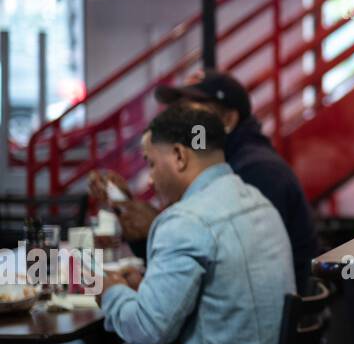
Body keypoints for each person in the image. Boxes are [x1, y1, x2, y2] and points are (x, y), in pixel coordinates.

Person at [98, 104, 294, 344]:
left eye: (151, 163)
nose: (150, 179)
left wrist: (111, 292)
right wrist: (148, 284)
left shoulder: (186, 220)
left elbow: (149, 327)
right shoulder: (260, 203)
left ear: (179, 156)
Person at [91, 70, 319, 292]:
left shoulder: (257, 171)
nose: (183, 122)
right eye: (179, 110)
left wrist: (156, 230)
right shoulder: (216, 167)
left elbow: (231, 268)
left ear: (228, 120)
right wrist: (128, 209)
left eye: (194, 112)